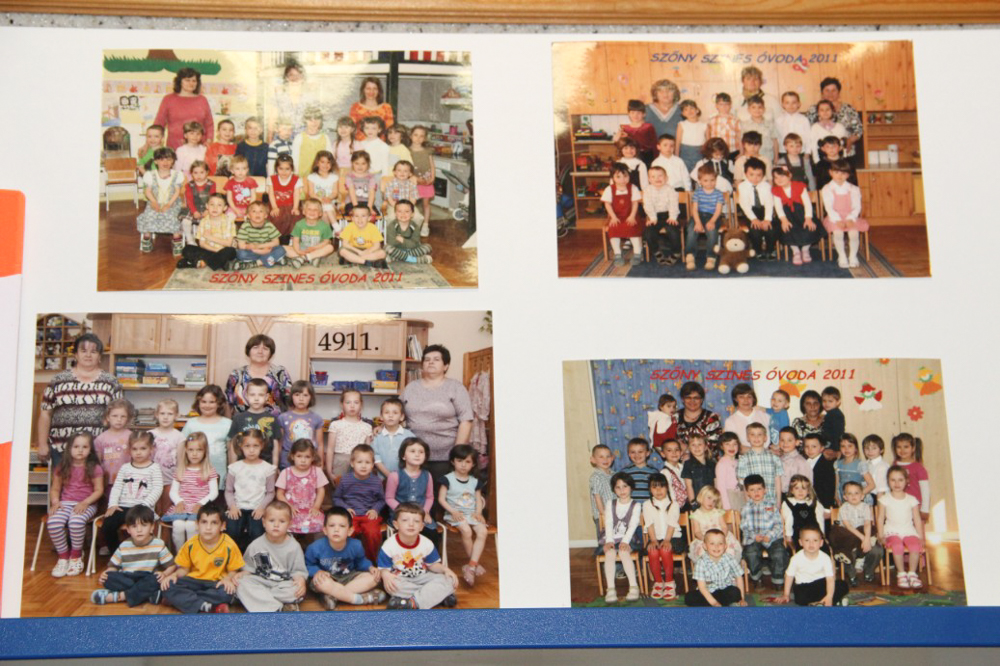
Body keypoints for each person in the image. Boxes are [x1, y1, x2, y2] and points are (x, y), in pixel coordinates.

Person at [399, 345, 474, 485]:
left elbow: (466, 420)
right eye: (427, 359)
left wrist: (456, 453)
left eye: (436, 359)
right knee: (414, 494)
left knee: (441, 493)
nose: (431, 362)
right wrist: (383, 427)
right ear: (422, 365)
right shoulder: (411, 387)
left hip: (445, 456)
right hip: (414, 455)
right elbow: (397, 413)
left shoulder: (456, 388)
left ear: (446, 366)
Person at [161, 504, 243, 613]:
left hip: (216, 583)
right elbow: (184, 569)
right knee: (168, 585)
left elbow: (233, 571)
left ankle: (183, 600)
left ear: (223, 526)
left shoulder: (229, 545)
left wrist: (227, 579)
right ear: (197, 524)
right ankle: (206, 606)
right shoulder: (190, 544)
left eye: (214, 523)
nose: (208, 527)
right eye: (204, 522)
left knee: (227, 592)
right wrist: (174, 575)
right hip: (193, 581)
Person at [379, 503, 458, 610]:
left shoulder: (427, 543)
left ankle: (412, 603)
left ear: (421, 526)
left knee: (449, 580)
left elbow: (433, 565)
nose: (411, 524)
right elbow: (384, 569)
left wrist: (446, 570)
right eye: (405, 520)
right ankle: (436, 595)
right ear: (396, 524)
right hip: (401, 579)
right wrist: (386, 575)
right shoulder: (388, 545)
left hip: (422, 577)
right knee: (393, 586)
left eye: (416, 521)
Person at [91, 505, 175, 606]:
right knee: (108, 577)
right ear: (128, 529)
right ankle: (147, 594)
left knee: (157, 579)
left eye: (144, 525)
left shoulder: (158, 544)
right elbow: (113, 566)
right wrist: (106, 573)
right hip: (128, 577)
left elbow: (172, 566)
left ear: (152, 527)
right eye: (134, 526)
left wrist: (164, 574)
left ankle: (120, 596)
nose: (139, 530)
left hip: (147, 577)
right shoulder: (124, 545)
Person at [305, 507, 387, 609]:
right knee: (321, 582)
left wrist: (370, 567)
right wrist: (317, 572)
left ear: (350, 531)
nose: (336, 529)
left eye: (342, 526)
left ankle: (334, 597)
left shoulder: (356, 545)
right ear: (325, 530)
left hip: (349, 577)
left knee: (374, 578)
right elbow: (308, 565)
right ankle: (358, 599)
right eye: (332, 525)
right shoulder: (315, 547)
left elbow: (361, 562)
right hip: (328, 578)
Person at [47, 432, 104, 578]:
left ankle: (76, 555)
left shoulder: (95, 467)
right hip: (65, 503)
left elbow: (99, 490)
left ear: (90, 450)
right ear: (69, 448)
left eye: (84, 447)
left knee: (76, 522)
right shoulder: (62, 467)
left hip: (87, 503)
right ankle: (63, 557)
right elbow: (55, 489)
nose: (80, 450)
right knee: (53, 522)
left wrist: (85, 502)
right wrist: (55, 502)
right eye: (76, 446)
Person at [235, 500, 309, 612]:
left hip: (283, 585)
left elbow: (298, 571)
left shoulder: (294, 547)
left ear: (289, 524)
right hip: (261, 581)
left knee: (296, 590)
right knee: (241, 583)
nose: (276, 525)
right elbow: (248, 568)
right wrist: (243, 573)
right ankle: (278, 607)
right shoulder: (256, 545)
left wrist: (300, 580)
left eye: (282, 521)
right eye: (271, 520)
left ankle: (263, 601)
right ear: (264, 522)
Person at [103, 431, 163, 555]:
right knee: (107, 525)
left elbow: (157, 488)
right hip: (123, 506)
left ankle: (143, 554)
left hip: (143, 508)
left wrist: (144, 505)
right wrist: (113, 504)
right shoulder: (125, 468)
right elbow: (117, 487)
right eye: (135, 449)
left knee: (140, 528)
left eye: (143, 448)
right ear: (129, 450)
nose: (138, 452)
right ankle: (118, 554)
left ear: (151, 449)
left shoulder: (154, 468)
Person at [162, 432, 219, 551]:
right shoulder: (180, 470)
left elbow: (214, 492)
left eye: (199, 450)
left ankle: (192, 553)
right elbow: (173, 491)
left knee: (191, 526)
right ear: (186, 451)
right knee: (178, 525)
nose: (194, 454)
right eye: (191, 450)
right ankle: (181, 553)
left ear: (205, 452)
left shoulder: (209, 470)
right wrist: (178, 501)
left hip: (200, 507)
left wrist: (201, 503)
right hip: (182, 506)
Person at [225, 430, 277, 552]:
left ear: (262, 446)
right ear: (241, 446)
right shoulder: (235, 468)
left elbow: (270, 492)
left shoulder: (267, 468)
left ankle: (253, 557)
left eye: (255, 446)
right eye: (247, 446)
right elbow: (228, 490)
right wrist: (232, 506)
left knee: (257, 533)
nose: (251, 450)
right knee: (232, 531)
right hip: (238, 507)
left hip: (257, 508)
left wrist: (262, 508)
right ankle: (235, 557)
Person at [333, 444, 385, 563]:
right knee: (347, 532)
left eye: (367, 462)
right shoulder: (345, 480)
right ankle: (346, 561)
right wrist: (345, 508)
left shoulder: (376, 481)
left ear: (372, 465)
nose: (363, 465)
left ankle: (370, 561)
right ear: (352, 463)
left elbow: (381, 500)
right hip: (351, 515)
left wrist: (375, 509)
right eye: (359, 462)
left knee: (373, 533)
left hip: (368, 515)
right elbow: (337, 498)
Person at [878, 465, 925, 589]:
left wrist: (921, 537)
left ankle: (912, 573)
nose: (897, 483)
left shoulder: (912, 499)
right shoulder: (884, 499)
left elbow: (917, 519)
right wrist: (880, 535)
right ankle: (901, 573)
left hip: (908, 530)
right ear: (888, 481)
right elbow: (880, 518)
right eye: (893, 480)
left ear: (906, 481)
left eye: (900, 480)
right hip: (892, 531)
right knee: (897, 546)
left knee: (915, 546)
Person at [828, 481, 883, 585]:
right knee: (846, 554)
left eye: (856, 493)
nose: (853, 496)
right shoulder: (844, 508)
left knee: (878, 551)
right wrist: (863, 538)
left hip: (863, 534)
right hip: (849, 537)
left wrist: (867, 539)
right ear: (845, 497)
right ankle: (852, 575)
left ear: (862, 496)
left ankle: (869, 572)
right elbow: (848, 527)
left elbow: (867, 524)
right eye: (850, 493)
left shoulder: (865, 507)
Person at [777, 526, 848, 606]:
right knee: (800, 597)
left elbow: (830, 579)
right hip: (804, 587)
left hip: (821, 584)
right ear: (801, 542)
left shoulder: (825, 558)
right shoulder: (796, 558)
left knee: (843, 585)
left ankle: (825, 600)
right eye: (807, 540)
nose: (811, 544)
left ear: (821, 543)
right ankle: (825, 602)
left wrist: (829, 596)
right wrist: (786, 594)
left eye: (815, 540)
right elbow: (789, 576)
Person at [385, 437, 438, 543]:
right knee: (404, 533)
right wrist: (403, 511)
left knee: (431, 533)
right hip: (400, 514)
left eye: (421, 452)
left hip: (421, 514)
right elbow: (389, 498)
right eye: (412, 451)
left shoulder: (427, 475)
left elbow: (429, 497)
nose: (417, 454)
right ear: (403, 456)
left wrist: (425, 511)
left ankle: (428, 554)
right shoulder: (394, 475)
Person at [225, 334, 292, 416]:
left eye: (265, 348)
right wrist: (228, 422)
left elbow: (290, 401)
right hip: (241, 422)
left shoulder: (280, 372)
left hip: (274, 422)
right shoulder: (236, 374)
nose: (260, 351)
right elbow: (228, 403)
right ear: (248, 351)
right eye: (255, 347)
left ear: (271, 353)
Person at [740, 474, 788, 588]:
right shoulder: (746, 508)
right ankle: (756, 576)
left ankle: (777, 579)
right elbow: (744, 527)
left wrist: (770, 535)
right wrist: (754, 536)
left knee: (779, 553)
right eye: (752, 490)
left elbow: (778, 524)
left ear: (765, 490)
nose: (756, 492)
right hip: (754, 538)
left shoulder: (771, 506)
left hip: (772, 537)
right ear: (747, 492)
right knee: (750, 552)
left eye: (759, 489)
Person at [136, 146, 185, 255]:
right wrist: (154, 202)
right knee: (149, 215)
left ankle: (176, 238)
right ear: (156, 161)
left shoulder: (177, 175)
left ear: (173, 161)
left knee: (171, 215)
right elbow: (148, 191)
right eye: (161, 159)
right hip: (154, 200)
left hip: (172, 201)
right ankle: (147, 237)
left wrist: (168, 204)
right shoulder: (150, 175)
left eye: (169, 159)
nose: (165, 162)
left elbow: (177, 192)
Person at [601, 472, 642, 603]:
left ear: (631, 487)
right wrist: (609, 541)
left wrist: (625, 541)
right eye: (618, 487)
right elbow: (608, 523)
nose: (622, 490)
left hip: (629, 538)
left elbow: (633, 524)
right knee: (610, 553)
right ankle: (611, 589)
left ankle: (634, 587)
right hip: (612, 538)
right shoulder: (610, 503)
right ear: (614, 490)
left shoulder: (636, 505)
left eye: (625, 486)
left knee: (624, 552)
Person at [179, 384, 232, 485]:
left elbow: (231, 450)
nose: (207, 405)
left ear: (219, 403)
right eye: (203, 402)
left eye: (212, 402)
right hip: (194, 476)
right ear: (198, 402)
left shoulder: (227, 424)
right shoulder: (191, 424)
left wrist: (232, 471)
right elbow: (182, 448)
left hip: (219, 475)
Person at [822, 159, 869, 269]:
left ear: (847, 175)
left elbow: (857, 206)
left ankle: (853, 256)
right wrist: (837, 220)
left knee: (854, 233)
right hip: (834, 217)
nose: (840, 176)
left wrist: (850, 218)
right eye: (836, 172)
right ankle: (842, 256)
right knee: (838, 233)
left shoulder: (853, 189)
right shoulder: (827, 188)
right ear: (831, 173)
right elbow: (829, 207)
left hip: (850, 216)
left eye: (843, 173)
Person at [276, 439, 328, 536]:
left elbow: (321, 490)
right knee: (284, 524)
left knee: (321, 525)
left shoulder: (317, 471)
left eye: (307, 457)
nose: (303, 460)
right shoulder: (286, 472)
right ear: (292, 456)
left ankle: (317, 546)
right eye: (299, 456)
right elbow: (279, 493)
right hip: (291, 511)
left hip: (311, 511)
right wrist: (288, 506)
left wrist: (316, 507)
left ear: (313, 457)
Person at [153, 67, 214, 150]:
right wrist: (149, 144)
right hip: (174, 148)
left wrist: (209, 140)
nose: (191, 83)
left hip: (198, 148)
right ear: (179, 81)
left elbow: (209, 124)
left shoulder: (202, 100)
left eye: (194, 81)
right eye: (187, 80)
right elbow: (159, 123)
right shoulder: (168, 99)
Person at [806, 77, 863, 164]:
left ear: (839, 92)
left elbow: (859, 130)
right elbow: (807, 131)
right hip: (820, 156)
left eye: (834, 90)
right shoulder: (813, 110)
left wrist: (848, 141)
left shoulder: (848, 109)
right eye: (827, 90)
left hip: (845, 153)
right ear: (822, 93)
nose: (830, 93)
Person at [772, 166, 820, 266]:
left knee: (810, 228)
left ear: (790, 176)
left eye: (782, 176)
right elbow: (778, 207)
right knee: (787, 229)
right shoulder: (776, 190)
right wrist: (784, 220)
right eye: (776, 177)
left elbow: (807, 204)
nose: (779, 180)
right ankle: (796, 251)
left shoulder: (799, 186)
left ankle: (805, 249)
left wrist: (808, 218)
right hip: (786, 216)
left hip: (802, 213)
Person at [685, 529, 746, 607]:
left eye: (720, 543)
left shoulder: (730, 558)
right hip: (708, 593)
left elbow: (739, 577)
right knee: (689, 597)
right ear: (705, 546)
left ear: (725, 546)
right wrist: (714, 603)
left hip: (725, 590)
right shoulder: (701, 562)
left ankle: (721, 604)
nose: (716, 547)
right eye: (712, 543)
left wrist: (742, 598)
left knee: (735, 591)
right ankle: (721, 604)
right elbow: (702, 587)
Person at [176, 193, 237, 271]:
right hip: (209, 250)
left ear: (225, 208)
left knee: (231, 251)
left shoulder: (229, 221)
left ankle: (197, 262)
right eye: (212, 204)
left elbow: (228, 243)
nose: (215, 208)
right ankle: (217, 263)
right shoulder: (204, 221)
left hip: (224, 250)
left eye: (219, 205)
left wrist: (210, 237)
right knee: (187, 249)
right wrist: (216, 251)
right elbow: (202, 244)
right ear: (207, 206)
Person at [642, 473, 679, 600]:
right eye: (654, 487)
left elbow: (672, 524)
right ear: (650, 489)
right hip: (655, 537)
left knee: (665, 549)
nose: (658, 490)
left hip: (673, 537)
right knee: (652, 551)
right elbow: (649, 524)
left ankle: (669, 582)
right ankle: (658, 582)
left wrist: (667, 540)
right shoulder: (647, 504)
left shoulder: (673, 504)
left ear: (667, 488)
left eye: (661, 486)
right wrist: (653, 540)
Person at [226, 377, 279, 464]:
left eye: (260, 395)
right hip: (242, 466)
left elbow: (275, 445)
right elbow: (233, 444)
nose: (256, 398)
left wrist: (275, 466)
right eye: (252, 395)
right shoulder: (238, 418)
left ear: (266, 397)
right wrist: (232, 466)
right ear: (246, 396)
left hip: (265, 467)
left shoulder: (272, 419)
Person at [325, 389, 373, 481]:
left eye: (356, 402)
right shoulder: (335, 425)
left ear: (361, 405)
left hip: (360, 463)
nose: (352, 406)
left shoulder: (367, 427)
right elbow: (330, 449)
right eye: (348, 402)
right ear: (342, 404)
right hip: (340, 462)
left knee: (357, 488)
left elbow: (369, 452)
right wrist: (329, 471)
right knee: (340, 488)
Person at [276, 380, 324, 470]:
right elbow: (279, 443)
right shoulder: (283, 418)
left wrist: (320, 464)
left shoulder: (317, 418)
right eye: (297, 395)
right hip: (287, 463)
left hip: (309, 462)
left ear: (311, 397)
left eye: (305, 395)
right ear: (291, 397)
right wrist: (277, 464)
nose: (301, 399)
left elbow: (320, 444)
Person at [601, 163, 643, 267]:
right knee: (613, 228)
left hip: (631, 215)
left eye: (625, 176)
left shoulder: (633, 188)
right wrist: (613, 217)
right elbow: (607, 204)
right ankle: (617, 254)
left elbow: (635, 203)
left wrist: (632, 216)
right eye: (618, 177)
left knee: (632, 227)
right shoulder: (609, 189)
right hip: (616, 216)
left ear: (629, 176)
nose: (622, 179)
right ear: (613, 178)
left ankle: (637, 253)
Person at [689, 485, 741, 563]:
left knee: (729, 549)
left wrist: (722, 537)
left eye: (714, 501)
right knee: (702, 552)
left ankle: (728, 567)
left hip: (720, 537)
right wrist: (705, 539)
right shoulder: (696, 515)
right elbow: (697, 532)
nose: (711, 502)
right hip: (704, 539)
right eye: (709, 498)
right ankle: (708, 569)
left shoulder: (718, 512)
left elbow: (724, 527)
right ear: (701, 497)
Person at [268, 62, 319, 141]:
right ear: (286, 77)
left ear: (303, 77)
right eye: (291, 75)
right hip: (283, 137)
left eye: (298, 75)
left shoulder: (310, 97)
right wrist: (269, 137)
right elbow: (272, 118)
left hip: (303, 138)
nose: (295, 78)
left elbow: (314, 120)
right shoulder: (279, 96)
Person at [94, 398, 135, 495]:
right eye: (115, 416)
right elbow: (97, 462)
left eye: (123, 416)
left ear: (128, 418)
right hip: (108, 481)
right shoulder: (100, 439)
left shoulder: (132, 436)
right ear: (108, 417)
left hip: (128, 479)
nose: (119, 419)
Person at [686, 164, 723, 272]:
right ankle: (690, 256)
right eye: (706, 180)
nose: (709, 183)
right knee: (691, 230)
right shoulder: (697, 192)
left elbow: (718, 210)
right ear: (700, 181)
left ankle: (711, 257)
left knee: (712, 231)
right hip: (698, 215)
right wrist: (697, 222)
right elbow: (694, 210)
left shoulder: (718, 194)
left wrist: (712, 221)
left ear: (716, 180)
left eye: (712, 180)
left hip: (713, 216)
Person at [641, 166, 681, 266]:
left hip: (669, 215)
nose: (657, 178)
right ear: (649, 179)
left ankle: (676, 252)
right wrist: (652, 218)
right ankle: (656, 252)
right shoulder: (647, 190)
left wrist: (672, 217)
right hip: (654, 216)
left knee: (673, 230)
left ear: (666, 178)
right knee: (648, 232)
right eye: (653, 176)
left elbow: (673, 204)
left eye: (660, 176)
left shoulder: (670, 190)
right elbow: (648, 205)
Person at [736, 423, 783, 507]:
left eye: (759, 434)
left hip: (771, 503)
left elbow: (778, 481)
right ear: (747, 438)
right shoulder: (743, 460)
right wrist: (748, 505)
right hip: (753, 504)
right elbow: (744, 485)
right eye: (752, 435)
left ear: (765, 438)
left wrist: (779, 503)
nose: (756, 438)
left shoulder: (775, 458)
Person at [233, 200, 285, 270]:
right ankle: (270, 260)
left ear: (265, 215)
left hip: (266, 250)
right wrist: (249, 247)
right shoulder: (245, 226)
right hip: (252, 251)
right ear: (248, 215)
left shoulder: (269, 225)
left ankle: (257, 263)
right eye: (254, 211)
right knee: (240, 254)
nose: (257, 214)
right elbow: (241, 245)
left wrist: (260, 247)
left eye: (261, 211)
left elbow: (276, 242)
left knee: (281, 250)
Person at [675, 381, 722, 455]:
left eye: (696, 398)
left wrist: (687, 450)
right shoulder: (674, 417)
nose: (692, 401)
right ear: (682, 399)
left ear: (702, 399)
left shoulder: (711, 418)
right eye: (688, 397)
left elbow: (713, 446)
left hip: (705, 461)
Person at [286, 198, 335, 268]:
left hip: (317, 249)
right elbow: (295, 241)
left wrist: (315, 248)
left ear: (320, 213)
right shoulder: (299, 224)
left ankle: (303, 258)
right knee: (283, 248)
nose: (312, 212)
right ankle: (312, 258)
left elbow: (326, 241)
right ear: (304, 212)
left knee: (330, 247)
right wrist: (298, 251)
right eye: (309, 209)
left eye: (315, 210)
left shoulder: (325, 226)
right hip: (302, 249)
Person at [892, 433, 930, 521]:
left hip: (915, 506)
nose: (902, 450)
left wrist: (925, 509)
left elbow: (925, 489)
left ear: (913, 448)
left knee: (917, 528)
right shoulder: (894, 465)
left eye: (906, 447)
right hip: (898, 505)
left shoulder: (918, 467)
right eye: (899, 447)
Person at [723, 383, 771, 452]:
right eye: (741, 397)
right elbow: (734, 446)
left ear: (753, 399)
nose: (746, 400)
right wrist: (761, 452)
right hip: (744, 457)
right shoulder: (730, 421)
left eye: (749, 397)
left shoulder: (765, 416)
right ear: (736, 399)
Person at [266, 153, 302, 243]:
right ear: (276, 169)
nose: (284, 172)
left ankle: (292, 239)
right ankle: (275, 239)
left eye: (287, 169)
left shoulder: (296, 179)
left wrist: (295, 208)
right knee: (277, 217)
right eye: (281, 169)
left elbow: (296, 195)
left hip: (291, 205)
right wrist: (274, 207)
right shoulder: (271, 179)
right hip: (276, 205)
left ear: (292, 169)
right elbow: (271, 194)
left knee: (294, 218)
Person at [782, 474, 825, 548]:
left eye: (804, 488)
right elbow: (789, 521)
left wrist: (822, 535)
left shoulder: (814, 503)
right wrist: (789, 537)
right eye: (797, 488)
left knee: (824, 549)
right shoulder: (788, 503)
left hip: (814, 535)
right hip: (798, 536)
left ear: (808, 491)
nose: (800, 491)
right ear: (792, 490)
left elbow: (820, 520)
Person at [408, 125, 436, 237]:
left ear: (424, 138)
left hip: (427, 182)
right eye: (415, 135)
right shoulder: (407, 151)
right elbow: (406, 167)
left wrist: (432, 178)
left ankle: (425, 225)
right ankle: (410, 225)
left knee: (426, 204)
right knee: (411, 204)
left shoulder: (428, 151)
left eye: (421, 136)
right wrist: (416, 178)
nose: (418, 138)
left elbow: (432, 165)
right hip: (413, 182)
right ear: (410, 136)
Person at [385, 200, 433, 264]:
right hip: (397, 249)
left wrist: (402, 240)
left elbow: (415, 244)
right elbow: (391, 243)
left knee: (428, 247)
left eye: (407, 211)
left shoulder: (415, 227)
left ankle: (398, 257)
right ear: (395, 214)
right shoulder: (391, 226)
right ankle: (414, 260)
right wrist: (408, 243)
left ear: (412, 214)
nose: (403, 214)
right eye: (399, 211)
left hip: (411, 250)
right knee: (387, 248)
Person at [180, 160, 215, 247]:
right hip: (193, 208)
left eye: (201, 172)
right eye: (195, 173)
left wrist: (208, 210)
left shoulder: (211, 184)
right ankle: (190, 239)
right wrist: (194, 211)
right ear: (191, 173)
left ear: (207, 172)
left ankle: (209, 239)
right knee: (185, 221)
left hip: (207, 209)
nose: (198, 175)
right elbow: (189, 200)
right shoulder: (189, 185)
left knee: (214, 220)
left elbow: (212, 199)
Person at [291, 106, 332, 180]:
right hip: (303, 178)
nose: (314, 122)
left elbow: (330, 160)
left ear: (321, 121)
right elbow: (294, 160)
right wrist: (295, 177)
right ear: (305, 121)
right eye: (310, 120)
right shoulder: (299, 137)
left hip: (321, 178)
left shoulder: (325, 138)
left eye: (317, 119)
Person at [611, 99, 657, 163]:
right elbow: (619, 145)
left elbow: (654, 144)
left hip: (646, 157)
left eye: (638, 113)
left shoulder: (648, 127)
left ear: (644, 114)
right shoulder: (624, 128)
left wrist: (656, 159)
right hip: (630, 156)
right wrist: (617, 138)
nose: (635, 115)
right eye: (632, 113)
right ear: (629, 114)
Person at [834, 434, 874, 503]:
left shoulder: (860, 464)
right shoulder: (837, 464)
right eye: (843, 446)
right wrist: (836, 495)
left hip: (858, 501)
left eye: (850, 446)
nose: (846, 449)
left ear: (856, 448)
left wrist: (857, 495)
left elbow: (871, 485)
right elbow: (837, 483)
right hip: (845, 498)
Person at [588, 444, 615, 546]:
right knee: (605, 538)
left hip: (614, 513)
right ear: (593, 460)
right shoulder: (596, 477)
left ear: (612, 458)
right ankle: (603, 553)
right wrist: (603, 514)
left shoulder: (614, 475)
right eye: (601, 457)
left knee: (615, 536)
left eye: (608, 456)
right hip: (602, 515)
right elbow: (597, 496)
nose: (605, 459)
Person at [808, 99, 848, 164]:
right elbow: (814, 147)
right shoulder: (815, 127)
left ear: (832, 111)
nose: (825, 112)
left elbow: (844, 145)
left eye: (828, 109)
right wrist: (817, 162)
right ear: (818, 112)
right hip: (822, 159)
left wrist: (844, 159)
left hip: (838, 160)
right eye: (822, 110)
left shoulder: (840, 127)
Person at [306, 150, 339, 228]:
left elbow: (335, 193)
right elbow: (311, 193)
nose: (325, 165)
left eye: (328, 162)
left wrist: (329, 198)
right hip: (316, 203)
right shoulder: (312, 177)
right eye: (323, 162)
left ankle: (327, 232)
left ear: (332, 164)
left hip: (330, 202)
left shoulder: (334, 177)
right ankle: (336, 228)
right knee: (325, 212)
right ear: (317, 163)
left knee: (327, 209)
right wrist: (321, 199)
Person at [741, 96, 778, 163]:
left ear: (764, 109)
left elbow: (775, 142)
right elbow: (742, 142)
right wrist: (743, 155)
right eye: (753, 107)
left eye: (760, 107)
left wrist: (776, 158)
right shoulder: (744, 125)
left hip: (768, 156)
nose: (757, 110)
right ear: (748, 109)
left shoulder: (770, 124)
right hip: (751, 158)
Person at [804, 434, 836, 509]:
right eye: (807, 446)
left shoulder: (826, 465)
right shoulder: (804, 462)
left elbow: (829, 489)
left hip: (821, 504)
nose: (810, 450)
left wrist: (827, 508)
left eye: (814, 446)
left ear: (822, 448)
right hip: (807, 503)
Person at [620, 437, 658, 502]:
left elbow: (657, 490)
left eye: (640, 452)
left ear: (647, 453)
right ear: (629, 454)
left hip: (649, 505)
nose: (637, 455)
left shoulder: (654, 472)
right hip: (631, 506)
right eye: (633, 452)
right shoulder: (624, 472)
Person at [223, 155, 259, 223]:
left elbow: (253, 197)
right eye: (237, 169)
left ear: (247, 170)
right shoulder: (230, 183)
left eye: (243, 168)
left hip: (249, 207)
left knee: (252, 217)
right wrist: (235, 209)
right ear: (232, 171)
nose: (241, 171)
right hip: (233, 207)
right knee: (229, 217)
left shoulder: (251, 181)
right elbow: (229, 199)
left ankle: (248, 228)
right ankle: (230, 229)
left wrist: (248, 209)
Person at [682, 434, 715, 507]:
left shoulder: (712, 464)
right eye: (693, 445)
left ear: (705, 447)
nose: (696, 447)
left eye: (700, 444)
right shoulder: (688, 465)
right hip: (697, 502)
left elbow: (716, 483)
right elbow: (689, 486)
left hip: (712, 501)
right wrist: (693, 503)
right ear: (689, 448)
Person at [777, 427, 811, 497]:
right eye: (782, 440)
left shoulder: (801, 462)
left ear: (797, 442)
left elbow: (807, 484)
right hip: (780, 495)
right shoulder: (778, 460)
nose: (785, 443)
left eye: (789, 440)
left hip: (796, 496)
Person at [343, 150, 379, 217]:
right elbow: (351, 192)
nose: (360, 166)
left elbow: (372, 193)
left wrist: (369, 208)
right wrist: (356, 207)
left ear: (368, 164)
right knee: (355, 214)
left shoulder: (371, 177)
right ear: (352, 163)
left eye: (363, 163)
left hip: (367, 203)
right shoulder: (349, 176)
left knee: (373, 215)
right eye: (357, 163)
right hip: (352, 203)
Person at [775, 91, 811, 157]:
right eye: (787, 103)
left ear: (799, 104)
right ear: (782, 105)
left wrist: (807, 152)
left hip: (800, 152)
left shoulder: (804, 120)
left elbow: (808, 137)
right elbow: (776, 138)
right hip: (783, 152)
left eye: (794, 102)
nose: (791, 105)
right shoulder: (778, 120)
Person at [675, 100, 707, 175]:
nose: (689, 111)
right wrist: (676, 157)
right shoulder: (681, 124)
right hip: (685, 153)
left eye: (691, 108)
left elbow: (708, 143)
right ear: (683, 113)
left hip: (699, 153)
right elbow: (678, 142)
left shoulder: (704, 125)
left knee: (699, 174)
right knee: (685, 173)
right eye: (686, 109)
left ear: (697, 110)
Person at [707, 92, 741, 156]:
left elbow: (739, 137)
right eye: (721, 104)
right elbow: (708, 135)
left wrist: (741, 152)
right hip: (716, 151)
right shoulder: (711, 119)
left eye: (726, 104)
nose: (724, 107)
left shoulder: (736, 120)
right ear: (716, 105)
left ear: (730, 105)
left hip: (732, 151)